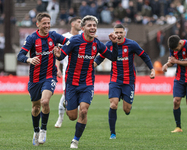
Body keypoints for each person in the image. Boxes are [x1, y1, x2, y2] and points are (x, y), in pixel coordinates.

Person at [53, 15, 118, 149]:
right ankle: (67, 104)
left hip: (87, 84)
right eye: (89, 25)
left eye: (94, 25)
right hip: (71, 84)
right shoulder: (74, 41)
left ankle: (75, 140)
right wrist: (57, 54)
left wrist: (114, 43)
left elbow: (113, 57)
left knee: (83, 111)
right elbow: (62, 55)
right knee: (72, 116)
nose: (92, 28)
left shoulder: (97, 44)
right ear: (83, 28)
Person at [94, 23, 155, 139]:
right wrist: (91, 66)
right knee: (113, 105)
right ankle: (112, 133)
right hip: (115, 80)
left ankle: (126, 102)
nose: (118, 35)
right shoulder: (109, 45)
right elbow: (100, 58)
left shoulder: (131, 44)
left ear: (124, 33)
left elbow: (144, 56)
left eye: (121, 32)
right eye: (116, 32)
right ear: (113, 33)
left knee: (126, 110)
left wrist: (152, 69)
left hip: (129, 81)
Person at [17, 12, 68, 146]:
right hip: (34, 78)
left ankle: (44, 129)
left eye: (48, 23)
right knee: (35, 107)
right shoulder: (32, 38)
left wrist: (61, 53)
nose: (47, 26)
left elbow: (69, 43)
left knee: (45, 101)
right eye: (44, 23)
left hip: (49, 75)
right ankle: (36, 131)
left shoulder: (54, 36)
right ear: (38, 24)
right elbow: (20, 55)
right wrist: (29, 59)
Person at [55, 16, 82, 128]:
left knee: (81, 96)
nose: (81, 24)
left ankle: (81, 119)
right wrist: (57, 68)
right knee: (66, 95)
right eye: (79, 22)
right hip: (69, 72)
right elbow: (58, 55)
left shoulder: (83, 37)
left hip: (83, 72)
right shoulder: (65, 37)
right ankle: (60, 118)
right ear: (72, 24)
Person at [162, 35, 187, 133]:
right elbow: (172, 60)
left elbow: (175, 61)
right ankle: (178, 127)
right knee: (176, 101)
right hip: (179, 78)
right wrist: (167, 65)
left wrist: (176, 61)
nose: (176, 50)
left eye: (177, 49)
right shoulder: (173, 47)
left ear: (180, 43)